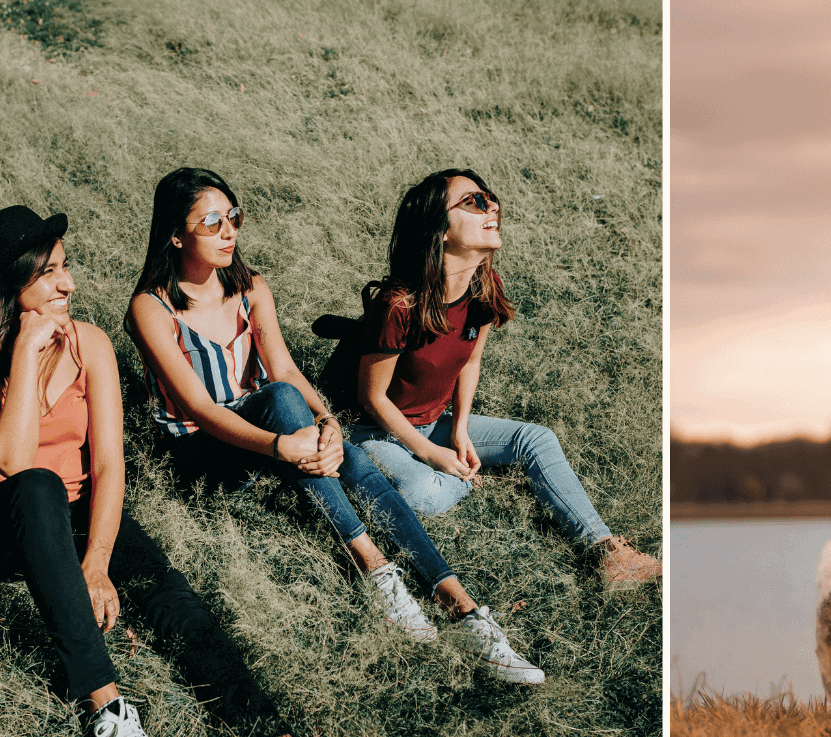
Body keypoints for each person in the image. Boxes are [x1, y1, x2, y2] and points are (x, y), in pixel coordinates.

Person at [0, 205, 400, 737]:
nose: (69, 284)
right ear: (8, 288)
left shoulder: (89, 343)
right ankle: (109, 713)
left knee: (171, 596)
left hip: (74, 508)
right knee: (39, 485)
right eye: (49, 274)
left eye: (65, 268)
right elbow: (14, 461)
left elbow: (107, 467)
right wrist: (25, 351)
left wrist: (97, 563)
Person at [124, 168, 542, 685]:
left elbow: (285, 370)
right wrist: (283, 447)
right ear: (175, 233)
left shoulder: (251, 287)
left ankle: (459, 601)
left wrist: (326, 424)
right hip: (202, 449)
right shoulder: (150, 307)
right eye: (212, 221)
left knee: (349, 455)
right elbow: (202, 409)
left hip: (275, 426)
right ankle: (373, 567)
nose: (229, 230)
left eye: (234, 216)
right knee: (281, 403)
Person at [343, 168, 661, 591]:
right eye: (473, 202)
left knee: (538, 439)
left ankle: (608, 553)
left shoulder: (483, 286)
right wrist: (431, 453)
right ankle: (464, 478)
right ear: (439, 231)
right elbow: (373, 398)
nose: (491, 207)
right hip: (379, 431)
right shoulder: (400, 305)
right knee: (425, 494)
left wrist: (458, 430)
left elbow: (469, 363)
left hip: (438, 422)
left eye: (489, 198)